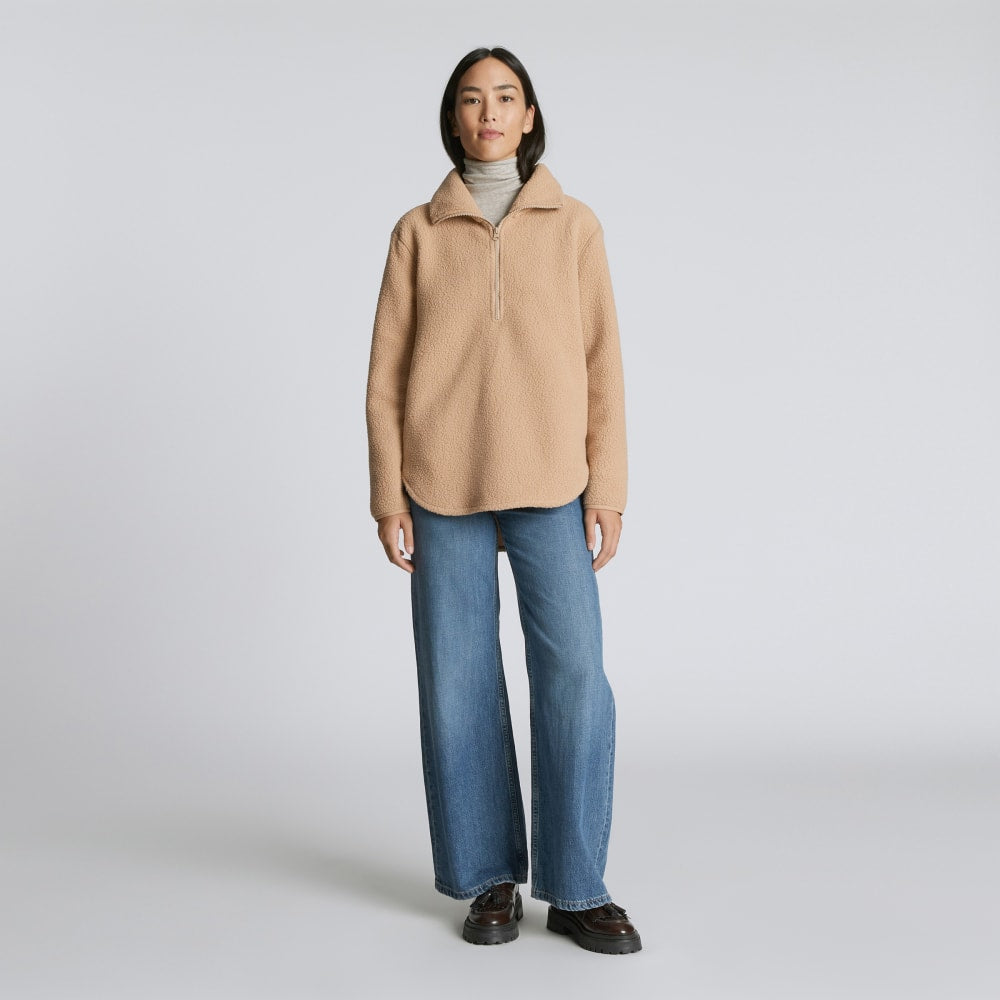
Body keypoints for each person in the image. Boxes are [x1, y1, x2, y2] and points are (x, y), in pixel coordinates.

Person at [365, 46, 640, 955]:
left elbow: (603, 365)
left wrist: (609, 486)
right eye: (472, 99)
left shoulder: (574, 225)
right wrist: (387, 492)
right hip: (439, 480)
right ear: (454, 118)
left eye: (506, 97)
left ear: (529, 116)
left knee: (576, 677)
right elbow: (385, 377)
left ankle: (577, 887)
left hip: (553, 478)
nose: (489, 112)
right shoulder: (417, 232)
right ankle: (486, 877)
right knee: (456, 680)